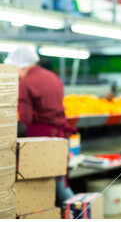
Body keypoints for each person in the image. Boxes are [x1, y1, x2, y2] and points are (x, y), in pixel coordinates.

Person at [4, 46, 76, 204]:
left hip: (41, 140)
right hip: (60, 136)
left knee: (49, 186)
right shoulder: (53, 77)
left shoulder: (26, 83)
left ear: (20, 65)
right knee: (59, 179)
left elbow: (26, 119)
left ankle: (80, 213)